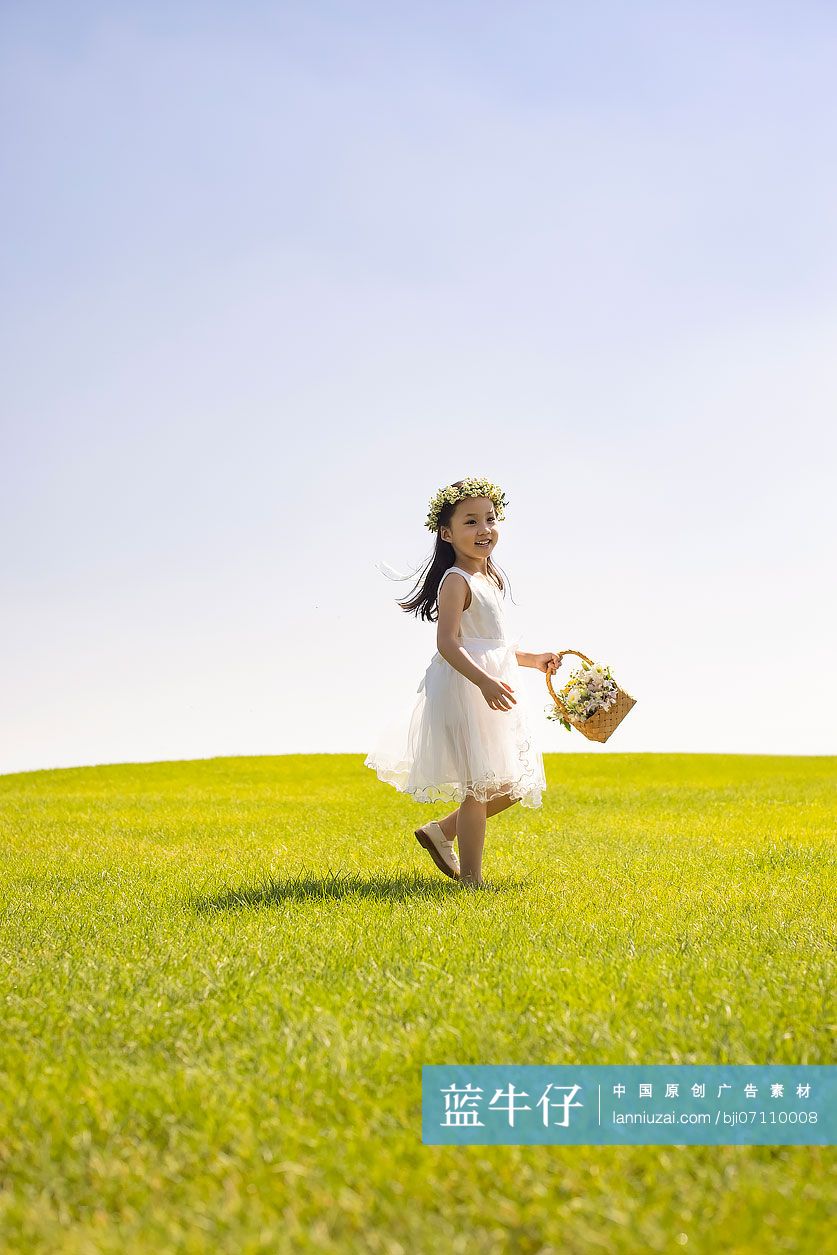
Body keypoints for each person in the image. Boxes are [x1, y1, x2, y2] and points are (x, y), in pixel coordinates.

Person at [364, 476, 561, 889]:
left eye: (490, 519)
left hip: (492, 685)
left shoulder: (492, 579)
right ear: (447, 532)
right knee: (479, 786)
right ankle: (472, 881)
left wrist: (534, 659)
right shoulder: (456, 580)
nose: (483, 529)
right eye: (470, 522)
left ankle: (441, 832)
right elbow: (449, 644)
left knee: (511, 783)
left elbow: (495, 644)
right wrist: (485, 682)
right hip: (464, 688)